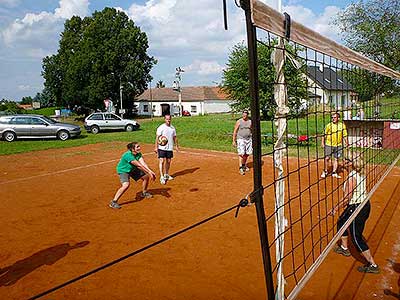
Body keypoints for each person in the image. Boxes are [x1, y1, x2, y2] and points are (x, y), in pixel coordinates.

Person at [330, 152, 380, 274]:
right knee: (341, 222)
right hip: (364, 204)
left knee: (356, 237)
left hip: (357, 208)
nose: (342, 161)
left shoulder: (352, 178)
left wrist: (335, 208)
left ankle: (372, 264)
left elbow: (347, 198)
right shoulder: (360, 172)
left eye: (345, 159)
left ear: (349, 163)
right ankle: (344, 247)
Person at [109, 142, 156, 209]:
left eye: (139, 146)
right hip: (123, 170)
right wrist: (149, 172)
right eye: (137, 147)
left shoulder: (138, 154)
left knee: (146, 177)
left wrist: (151, 171)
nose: (139, 148)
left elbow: (143, 164)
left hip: (132, 169)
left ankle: (144, 192)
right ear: (132, 149)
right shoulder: (128, 155)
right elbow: (139, 165)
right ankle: (113, 202)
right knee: (126, 185)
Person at [321, 112, 348, 178]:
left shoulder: (342, 125)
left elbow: (345, 135)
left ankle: (334, 172)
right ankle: (325, 171)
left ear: (338, 118)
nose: (333, 119)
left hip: (338, 145)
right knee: (327, 158)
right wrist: (322, 142)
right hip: (329, 144)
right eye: (332, 117)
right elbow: (324, 134)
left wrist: (347, 143)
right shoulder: (329, 125)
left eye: (334, 117)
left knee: (336, 159)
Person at [155, 114, 179, 185]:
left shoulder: (172, 128)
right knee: (162, 161)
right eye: (167, 119)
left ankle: (166, 174)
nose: (168, 120)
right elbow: (157, 137)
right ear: (164, 119)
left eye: (169, 119)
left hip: (169, 147)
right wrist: (156, 147)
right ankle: (162, 176)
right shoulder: (161, 127)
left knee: (168, 161)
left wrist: (176, 146)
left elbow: (174, 137)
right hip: (162, 148)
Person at [232, 110, 252, 175]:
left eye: (245, 115)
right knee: (241, 153)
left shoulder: (250, 121)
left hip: (248, 139)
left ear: (247, 115)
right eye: (243, 115)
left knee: (247, 153)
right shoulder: (239, 121)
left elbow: (252, 130)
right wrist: (234, 140)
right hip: (241, 139)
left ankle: (244, 165)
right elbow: (235, 131)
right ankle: (240, 167)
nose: (244, 116)